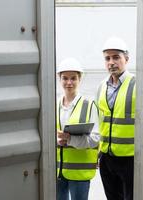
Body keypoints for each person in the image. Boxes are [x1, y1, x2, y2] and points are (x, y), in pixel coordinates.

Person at [96, 37, 136, 200]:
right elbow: (100, 123)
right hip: (107, 158)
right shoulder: (101, 86)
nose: (111, 62)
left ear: (126, 59)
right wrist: (99, 154)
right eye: (107, 58)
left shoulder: (137, 84)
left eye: (116, 57)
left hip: (130, 159)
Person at [56, 57, 100, 200]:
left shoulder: (89, 105)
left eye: (73, 78)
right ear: (59, 79)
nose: (69, 82)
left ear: (80, 79)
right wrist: (57, 140)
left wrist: (69, 139)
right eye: (65, 78)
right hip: (57, 171)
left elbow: (95, 139)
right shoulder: (54, 105)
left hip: (79, 173)